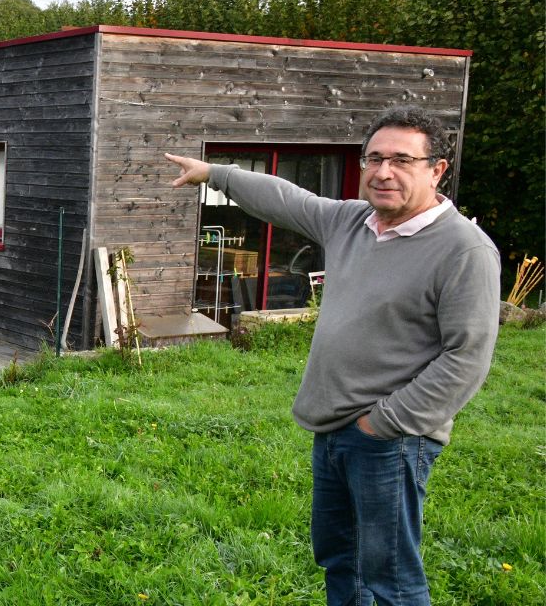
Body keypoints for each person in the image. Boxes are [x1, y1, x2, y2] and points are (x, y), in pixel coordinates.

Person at [164, 105, 500, 605]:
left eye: (402, 161)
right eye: (375, 158)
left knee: (389, 577)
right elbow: (287, 200)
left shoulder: (463, 250)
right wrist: (216, 174)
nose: (384, 172)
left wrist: (384, 423)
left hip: (391, 439)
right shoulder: (353, 222)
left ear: (437, 170)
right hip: (333, 429)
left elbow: (465, 357)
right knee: (340, 559)